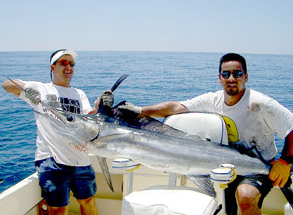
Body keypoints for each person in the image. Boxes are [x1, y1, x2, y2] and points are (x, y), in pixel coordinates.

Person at [118, 53, 293, 215]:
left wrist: (285, 162)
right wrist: (139, 110)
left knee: (245, 196)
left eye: (237, 74)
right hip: (222, 166)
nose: (231, 79)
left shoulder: (261, 104)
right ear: (219, 78)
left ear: (246, 77)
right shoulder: (213, 99)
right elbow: (177, 107)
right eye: (226, 74)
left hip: (259, 167)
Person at [2, 49, 113, 215]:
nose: (68, 66)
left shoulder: (79, 93)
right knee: (58, 209)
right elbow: (7, 84)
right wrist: (26, 89)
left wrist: (99, 106)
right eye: (63, 63)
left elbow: (88, 117)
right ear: (52, 67)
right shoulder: (41, 89)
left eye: (71, 63)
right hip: (52, 160)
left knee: (89, 202)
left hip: (81, 160)